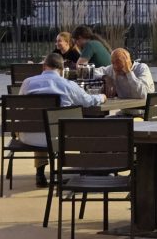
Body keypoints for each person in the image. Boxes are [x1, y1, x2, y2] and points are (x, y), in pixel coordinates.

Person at [18, 52, 107, 187]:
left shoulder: (27, 83)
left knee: (43, 125)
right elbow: (88, 101)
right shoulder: (68, 85)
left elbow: (19, 109)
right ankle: (77, 169)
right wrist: (102, 97)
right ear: (61, 69)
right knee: (52, 128)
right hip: (61, 138)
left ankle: (40, 172)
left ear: (44, 67)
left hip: (29, 136)